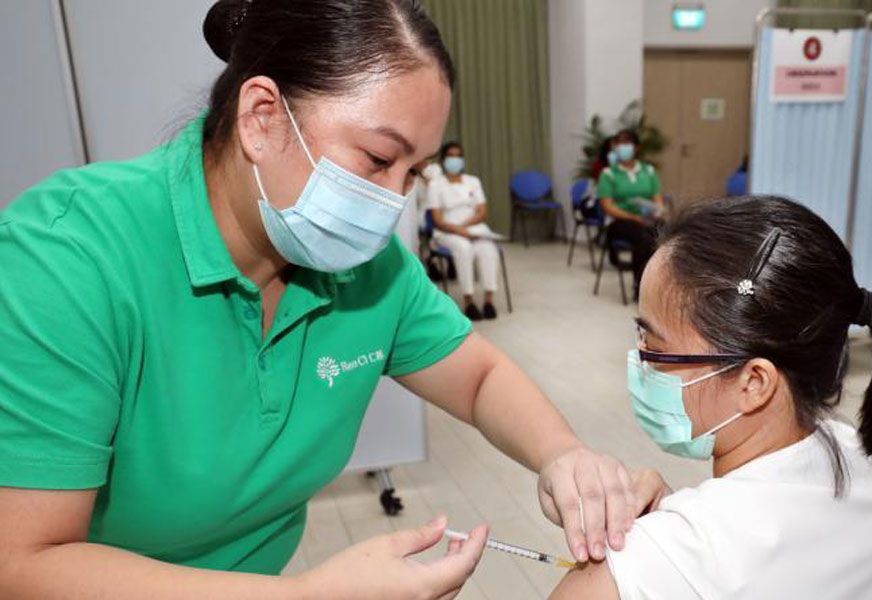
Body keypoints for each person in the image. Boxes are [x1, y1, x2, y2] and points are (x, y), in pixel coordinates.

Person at [0, 2, 640, 598]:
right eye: (377, 158)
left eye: (411, 172)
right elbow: (23, 562)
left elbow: (477, 377)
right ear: (262, 118)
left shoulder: (364, 269)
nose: (393, 201)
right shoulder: (67, 260)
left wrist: (563, 455)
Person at [551, 196, 872, 599]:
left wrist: (665, 541)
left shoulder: (655, 563)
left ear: (754, 383)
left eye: (652, 345)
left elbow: (715, 558)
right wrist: (676, 519)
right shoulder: (864, 459)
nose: (639, 360)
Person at [427, 142, 501, 320]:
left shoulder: (473, 181)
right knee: (464, 249)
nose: (455, 159)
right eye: (451, 156)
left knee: (488, 250)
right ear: (444, 160)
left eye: (458, 156)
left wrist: (467, 226)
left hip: (474, 227)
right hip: (448, 230)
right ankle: (468, 301)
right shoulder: (435, 185)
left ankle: (489, 301)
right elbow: (437, 219)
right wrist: (458, 230)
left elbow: (482, 211)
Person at [595, 129, 664, 300]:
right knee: (644, 236)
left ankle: (661, 283)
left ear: (636, 148)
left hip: (647, 218)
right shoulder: (608, 174)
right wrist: (633, 217)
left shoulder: (648, 171)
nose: (623, 147)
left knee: (667, 232)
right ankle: (640, 284)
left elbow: (657, 199)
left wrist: (657, 210)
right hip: (621, 221)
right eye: (619, 143)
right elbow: (607, 206)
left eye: (627, 143)